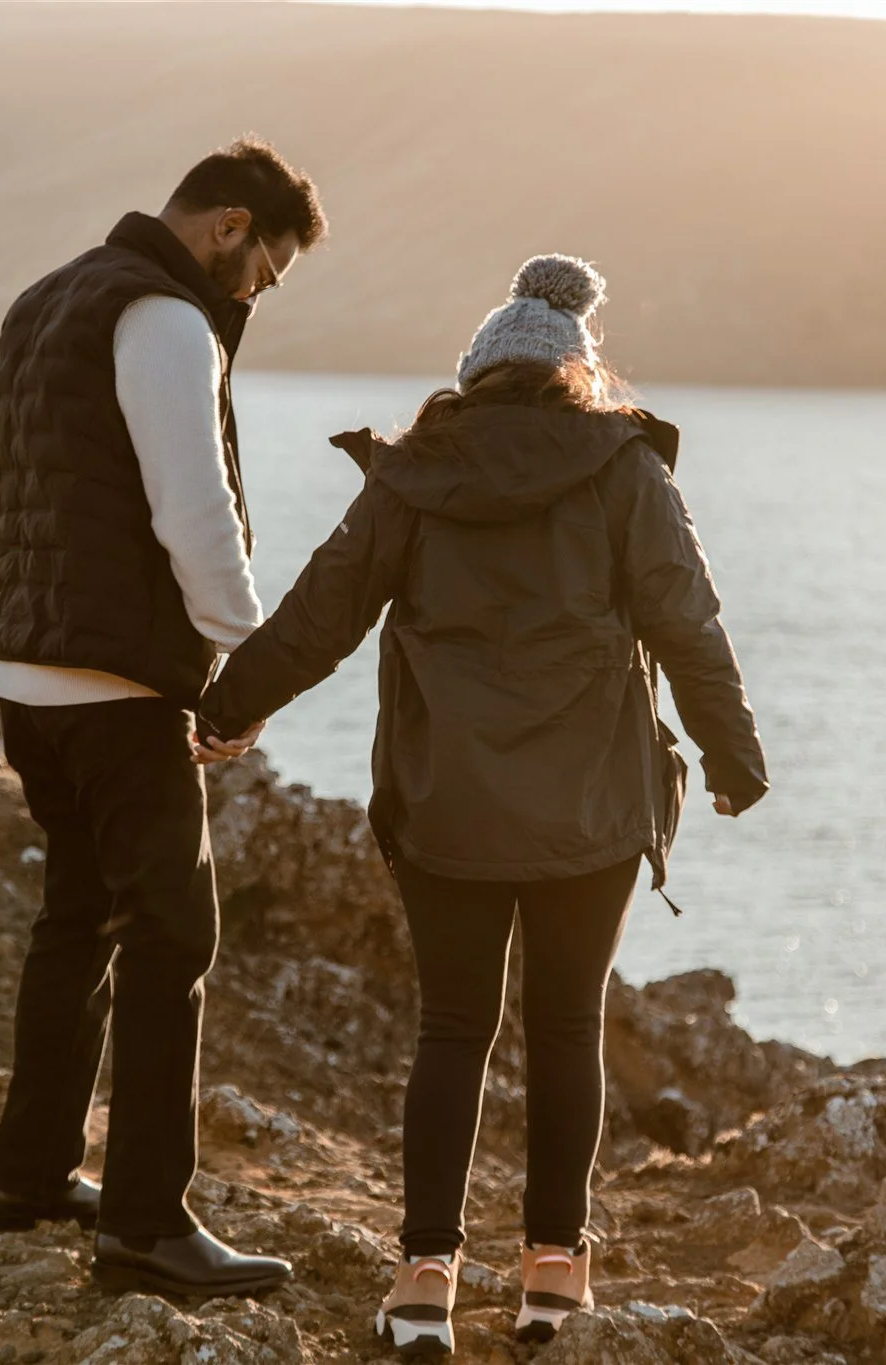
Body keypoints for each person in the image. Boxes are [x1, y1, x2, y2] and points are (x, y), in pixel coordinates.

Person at [192, 255, 768, 1351]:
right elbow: (687, 622)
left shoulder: (412, 477)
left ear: (476, 375)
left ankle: (423, 1276)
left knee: (451, 1030)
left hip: (444, 802)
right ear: (574, 372)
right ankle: (552, 1266)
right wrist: (730, 759)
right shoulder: (625, 472)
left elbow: (321, 615)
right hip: (590, 807)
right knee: (564, 1028)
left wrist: (225, 709)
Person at [0, 137, 320, 1297]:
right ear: (227, 225)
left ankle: (24, 1179)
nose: (255, 296)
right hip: (120, 691)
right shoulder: (165, 318)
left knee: (75, 922)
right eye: (263, 270)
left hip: (28, 674)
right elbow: (193, 513)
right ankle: (146, 1230)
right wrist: (243, 664)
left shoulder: (44, 298)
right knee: (172, 940)